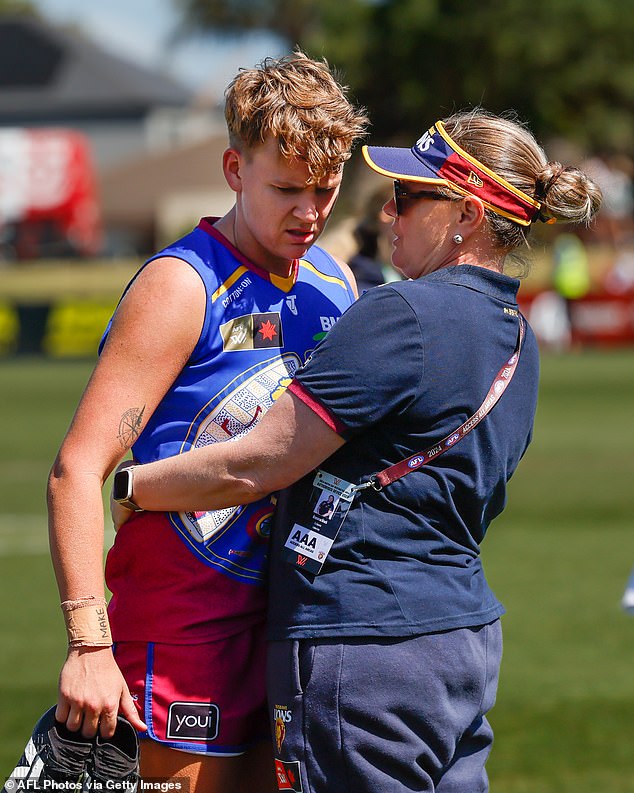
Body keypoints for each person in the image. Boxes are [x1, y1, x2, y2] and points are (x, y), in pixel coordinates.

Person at [110, 109, 601, 792]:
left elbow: (259, 459)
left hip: (362, 649)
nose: (388, 212)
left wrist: (134, 486)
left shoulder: (400, 314)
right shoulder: (518, 335)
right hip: (460, 642)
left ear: (465, 214)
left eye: (407, 196)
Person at [47, 50, 368, 792]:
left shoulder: (335, 280)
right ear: (233, 168)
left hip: (293, 621)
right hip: (184, 630)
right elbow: (77, 469)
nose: (309, 213)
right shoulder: (179, 286)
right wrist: (89, 645)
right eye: (285, 188)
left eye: (325, 189)